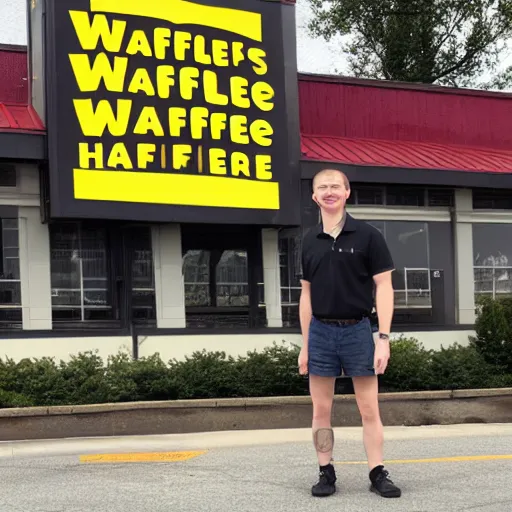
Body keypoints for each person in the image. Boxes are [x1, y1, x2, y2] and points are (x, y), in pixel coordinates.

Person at [298, 168, 401, 499]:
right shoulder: (308, 240)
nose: (329, 191)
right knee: (320, 410)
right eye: (322, 187)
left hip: (358, 329)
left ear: (346, 192)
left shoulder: (369, 235)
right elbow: (306, 295)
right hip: (320, 333)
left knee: (369, 409)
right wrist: (304, 345)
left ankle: (376, 472)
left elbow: (384, 287)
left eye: (335, 186)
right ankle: (325, 472)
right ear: (315, 196)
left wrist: (382, 338)